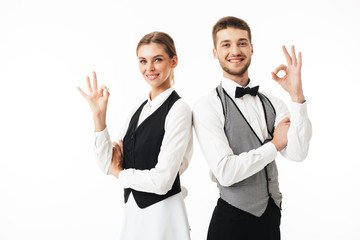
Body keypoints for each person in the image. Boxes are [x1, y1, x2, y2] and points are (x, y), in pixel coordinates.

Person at [192, 16, 312, 240]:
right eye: (226, 44)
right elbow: (226, 173)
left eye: (242, 43)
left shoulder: (274, 102)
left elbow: (297, 153)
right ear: (215, 52)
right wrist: (274, 145)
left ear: (252, 48)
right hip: (230, 222)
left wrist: (297, 96)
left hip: (271, 220)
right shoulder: (207, 106)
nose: (235, 50)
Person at [77, 32, 193, 240]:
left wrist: (121, 174)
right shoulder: (138, 111)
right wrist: (99, 117)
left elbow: (163, 181)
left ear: (173, 61)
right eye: (143, 61)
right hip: (134, 213)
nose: (149, 68)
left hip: (164, 215)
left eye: (157, 59)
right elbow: (105, 164)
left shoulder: (179, 110)